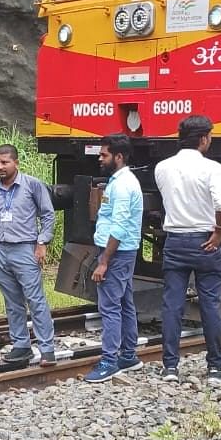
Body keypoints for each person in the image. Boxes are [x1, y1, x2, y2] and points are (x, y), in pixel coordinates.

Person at [154, 115, 221, 385]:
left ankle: (171, 367)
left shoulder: (162, 167)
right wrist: (219, 231)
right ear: (203, 139)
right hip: (204, 241)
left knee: (172, 305)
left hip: (175, 240)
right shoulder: (212, 168)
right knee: (209, 303)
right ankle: (215, 367)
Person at [0, 143, 58, 365]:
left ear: (16, 163)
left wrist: (42, 242)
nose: (0, 167)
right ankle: (21, 345)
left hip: (25, 249)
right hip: (1, 250)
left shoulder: (32, 185)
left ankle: (47, 349)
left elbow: (47, 215)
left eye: (5, 162)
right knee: (12, 301)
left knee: (35, 300)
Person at [84, 134, 145, 383]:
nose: (100, 158)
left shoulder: (121, 185)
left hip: (116, 254)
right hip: (123, 252)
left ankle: (110, 361)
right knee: (125, 303)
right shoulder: (122, 181)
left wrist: (104, 261)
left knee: (109, 307)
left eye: (104, 154)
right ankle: (128, 355)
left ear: (118, 157)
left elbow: (118, 226)